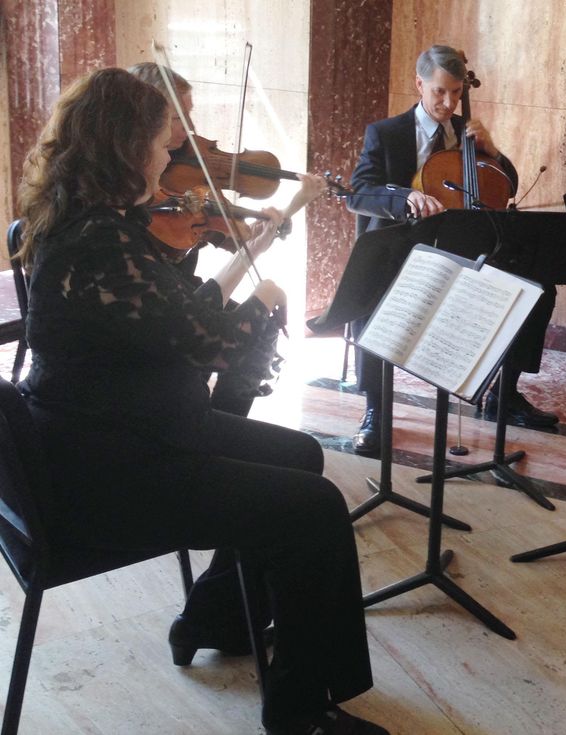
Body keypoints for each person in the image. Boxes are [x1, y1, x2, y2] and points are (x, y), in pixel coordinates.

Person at [16, 68, 386, 735]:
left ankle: (213, 617)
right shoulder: (101, 242)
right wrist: (264, 302)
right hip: (113, 469)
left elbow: (159, 317)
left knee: (300, 454)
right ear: (126, 148)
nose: (171, 156)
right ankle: (301, 711)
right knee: (315, 508)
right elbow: (204, 343)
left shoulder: (95, 224)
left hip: (118, 431)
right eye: (162, 143)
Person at [344, 44, 558, 454]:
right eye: (440, 92)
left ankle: (503, 393)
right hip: (401, 246)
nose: (449, 102)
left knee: (536, 287)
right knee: (373, 294)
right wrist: (405, 196)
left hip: (462, 245)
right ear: (419, 84)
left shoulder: (467, 133)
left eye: (457, 93)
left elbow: (503, 183)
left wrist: (493, 151)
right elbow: (360, 193)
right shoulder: (385, 133)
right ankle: (377, 408)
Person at [128, 61, 329, 418]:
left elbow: (242, 238)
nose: (189, 129)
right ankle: (215, 423)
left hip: (183, 297)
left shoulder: (190, 176)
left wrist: (293, 205)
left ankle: (227, 419)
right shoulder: (128, 207)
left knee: (260, 323)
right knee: (249, 326)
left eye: (189, 115)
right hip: (158, 320)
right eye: (176, 119)